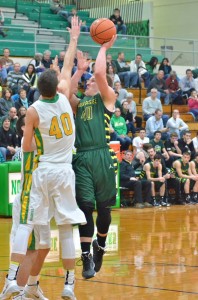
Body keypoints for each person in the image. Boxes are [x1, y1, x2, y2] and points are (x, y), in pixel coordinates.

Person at [0, 16, 86, 300]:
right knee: (60, 229)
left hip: (41, 172)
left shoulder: (34, 111)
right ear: (57, 86)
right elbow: (67, 66)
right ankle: (67, 285)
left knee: (33, 231)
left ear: (37, 87)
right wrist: (74, 38)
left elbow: (26, 147)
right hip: (65, 172)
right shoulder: (64, 98)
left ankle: (24, 284)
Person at [70, 36, 118, 279]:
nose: (88, 81)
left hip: (102, 156)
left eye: (90, 80)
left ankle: (100, 245)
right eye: (86, 81)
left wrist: (104, 47)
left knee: (104, 208)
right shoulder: (81, 103)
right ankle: (86, 256)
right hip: (83, 158)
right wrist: (78, 71)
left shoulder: (107, 98)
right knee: (85, 207)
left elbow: (99, 73)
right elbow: (66, 93)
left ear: (102, 86)